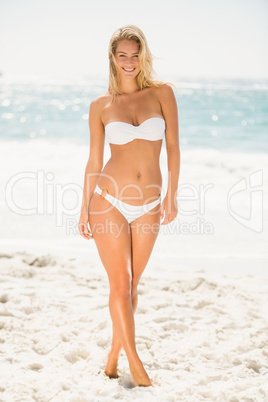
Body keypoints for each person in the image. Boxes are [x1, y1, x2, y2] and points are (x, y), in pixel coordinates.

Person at [78, 24, 180, 387]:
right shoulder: (100, 106)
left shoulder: (162, 93)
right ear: (112, 58)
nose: (129, 62)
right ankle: (136, 365)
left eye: (135, 55)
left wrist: (172, 195)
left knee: (134, 285)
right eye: (122, 55)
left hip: (151, 202)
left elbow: (173, 148)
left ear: (143, 56)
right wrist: (83, 206)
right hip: (108, 201)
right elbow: (94, 160)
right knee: (120, 285)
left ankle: (113, 355)